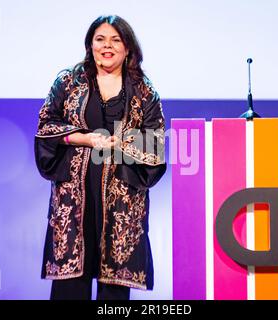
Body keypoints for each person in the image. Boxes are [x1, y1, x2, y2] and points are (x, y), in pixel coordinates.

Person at [34, 15, 166, 300]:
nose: (107, 46)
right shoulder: (68, 81)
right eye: (100, 39)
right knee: (70, 285)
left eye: (116, 40)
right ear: (90, 44)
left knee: (114, 292)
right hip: (74, 197)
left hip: (121, 200)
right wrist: (82, 138)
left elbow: (156, 142)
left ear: (128, 48)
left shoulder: (144, 90)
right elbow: (45, 126)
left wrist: (123, 142)